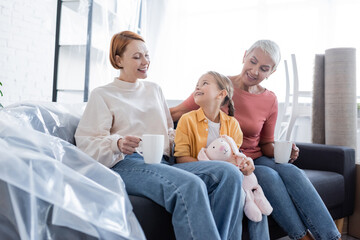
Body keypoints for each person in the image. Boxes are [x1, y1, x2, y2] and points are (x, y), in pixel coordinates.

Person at [75, 31, 245, 240]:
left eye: (147, 55)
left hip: (162, 161)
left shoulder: (154, 89)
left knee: (230, 174)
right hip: (126, 163)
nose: (145, 61)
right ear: (119, 60)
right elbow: (85, 143)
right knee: (190, 185)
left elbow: (169, 131)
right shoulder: (103, 94)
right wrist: (116, 143)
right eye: (137, 56)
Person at [170, 40, 341, 240]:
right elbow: (178, 112)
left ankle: (332, 237)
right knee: (269, 177)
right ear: (244, 56)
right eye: (252, 61)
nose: (254, 70)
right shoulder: (219, 87)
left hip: (258, 156)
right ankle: (303, 238)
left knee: (292, 171)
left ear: (271, 72)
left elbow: (266, 144)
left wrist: (284, 150)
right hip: (235, 161)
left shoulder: (270, 99)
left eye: (263, 68)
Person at [174, 70, 270, 240]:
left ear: (221, 94)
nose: (198, 86)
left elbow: (235, 155)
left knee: (252, 197)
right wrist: (217, 169)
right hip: (199, 175)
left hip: (230, 178)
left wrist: (245, 165)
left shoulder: (232, 124)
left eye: (204, 83)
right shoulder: (187, 120)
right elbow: (181, 159)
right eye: (197, 83)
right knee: (239, 195)